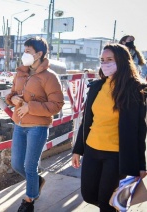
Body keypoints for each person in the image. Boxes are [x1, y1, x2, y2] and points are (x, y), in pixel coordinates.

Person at [71, 43, 147, 212]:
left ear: (121, 61)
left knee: (105, 202)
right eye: (102, 60)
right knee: (89, 195)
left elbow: (140, 130)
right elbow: (87, 122)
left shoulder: (136, 90)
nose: (105, 64)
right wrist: (78, 150)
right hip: (91, 150)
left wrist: (141, 165)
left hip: (116, 155)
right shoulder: (97, 87)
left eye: (109, 60)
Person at [6, 37, 64, 212]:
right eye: (24, 51)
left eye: (28, 52)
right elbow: (12, 94)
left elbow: (57, 105)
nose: (25, 55)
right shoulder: (20, 73)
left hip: (38, 127)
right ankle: (37, 181)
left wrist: (29, 107)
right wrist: (13, 99)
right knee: (17, 164)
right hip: (19, 125)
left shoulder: (50, 77)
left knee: (29, 166)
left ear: (39, 54)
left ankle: (29, 200)